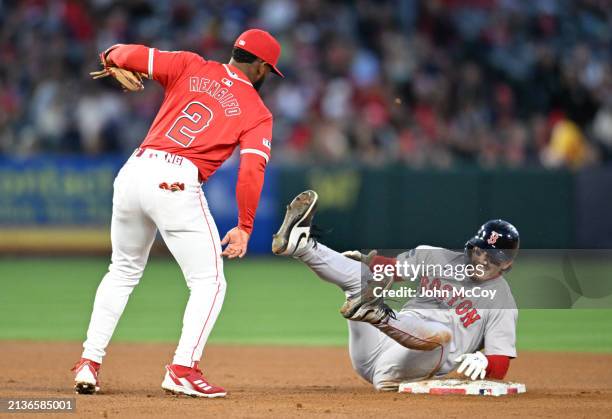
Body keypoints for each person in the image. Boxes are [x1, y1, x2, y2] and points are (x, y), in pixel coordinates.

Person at [72, 29, 283, 398]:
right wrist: (245, 226)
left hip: (134, 170)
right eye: (269, 70)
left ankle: (90, 362)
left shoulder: (189, 64)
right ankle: (183, 368)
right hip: (176, 178)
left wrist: (110, 58)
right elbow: (251, 171)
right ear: (263, 67)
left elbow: (120, 52)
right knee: (209, 281)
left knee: (121, 270)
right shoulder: (257, 112)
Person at [272, 190, 519, 391]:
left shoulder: (502, 302)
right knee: (363, 279)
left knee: (443, 336)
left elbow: (500, 361)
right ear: (471, 248)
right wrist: (368, 263)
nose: (484, 260)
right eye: (480, 251)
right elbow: (393, 270)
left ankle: (377, 315)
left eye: (495, 257)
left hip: (408, 366)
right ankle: (302, 246)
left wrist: (485, 363)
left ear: (508, 263)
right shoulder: (436, 257)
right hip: (375, 348)